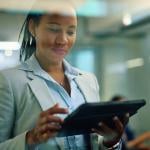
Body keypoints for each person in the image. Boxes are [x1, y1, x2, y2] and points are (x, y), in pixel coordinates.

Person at [0, 1, 128, 150]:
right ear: (33, 27)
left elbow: (94, 142)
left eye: (70, 32)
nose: (63, 40)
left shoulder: (88, 81)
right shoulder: (9, 81)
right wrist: (30, 138)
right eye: (53, 29)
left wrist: (110, 142)